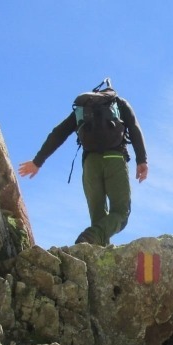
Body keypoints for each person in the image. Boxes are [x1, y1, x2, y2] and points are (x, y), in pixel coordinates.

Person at [18, 82, 148, 246]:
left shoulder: (83, 109)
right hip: (115, 159)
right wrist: (142, 160)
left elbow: (58, 133)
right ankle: (89, 236)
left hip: (90, 163)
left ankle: (96, 251)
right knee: (120, 214)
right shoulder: (119, 103)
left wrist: (37, 161)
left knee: (98, 218)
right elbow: (135, 129)